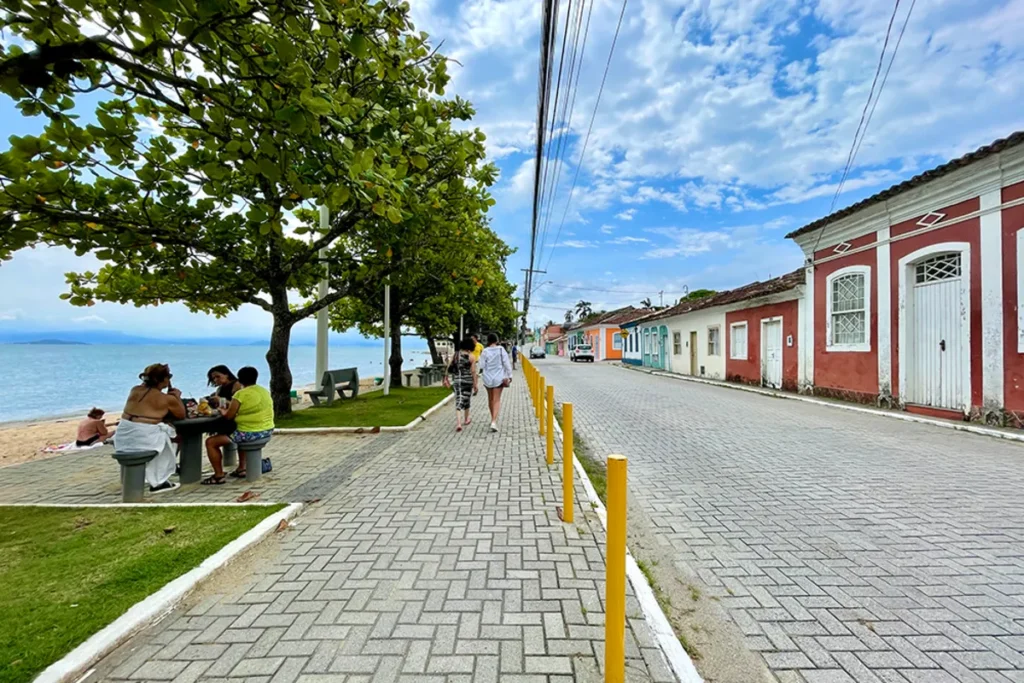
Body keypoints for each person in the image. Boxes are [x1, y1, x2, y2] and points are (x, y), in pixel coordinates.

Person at [114, 363, 185, 493]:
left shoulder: (135, 390)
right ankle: (159, 480)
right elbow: (181, 414)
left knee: (165, 434)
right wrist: (176, 397)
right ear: (163, 379)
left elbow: (146, 398)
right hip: (143, 436)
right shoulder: (167, 398)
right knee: (173, 439)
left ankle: (147, 477)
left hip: (123, 433)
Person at [203, 366, 275, 484]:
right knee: (236, 434)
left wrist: (222, 410)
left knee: (211, 442)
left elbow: (229, 416)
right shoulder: (264, 391)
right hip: (267, 430)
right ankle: (241, 468)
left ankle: (218, 475)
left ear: (239, 379)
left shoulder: (240, 395)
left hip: (250, 433)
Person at [479, 333, 513, 432]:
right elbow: (506, 364)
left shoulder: (485, 351)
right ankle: (494, 421)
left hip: (487, 378)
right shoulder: (501, 350)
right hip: (499, 378)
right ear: (497, 340)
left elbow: (481, 365)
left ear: (488, 341)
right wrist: (509, 376)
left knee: (490, 399)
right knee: (497, 399)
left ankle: (492, 419)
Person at [443, 337, 478, 432]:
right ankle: (466, 419)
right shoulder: (471, 356)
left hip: (457, 380)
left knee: (459, 399)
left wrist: (445, 377)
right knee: (466, 399)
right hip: (468, 381)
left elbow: (448, 366)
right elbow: (473, 372)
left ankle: (458, 422)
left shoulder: (456, 354)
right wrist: (475, 384)